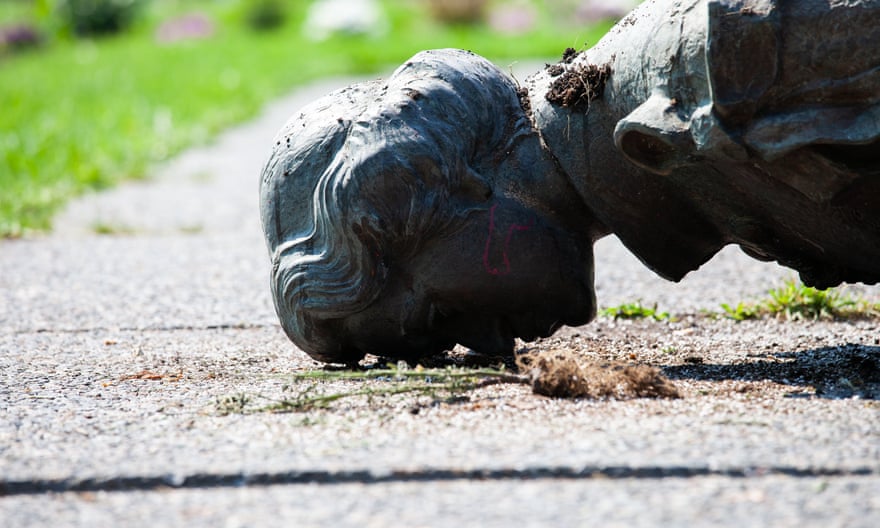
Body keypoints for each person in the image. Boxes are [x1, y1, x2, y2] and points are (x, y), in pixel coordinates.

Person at [261, 0, 880, 364]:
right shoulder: (685, 147)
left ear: (454, 186)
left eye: (440, 316)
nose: (486, 346)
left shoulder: (733, 65)